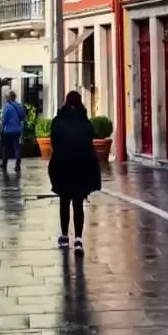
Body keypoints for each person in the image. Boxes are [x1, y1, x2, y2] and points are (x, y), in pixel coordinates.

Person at [48, 91, 100, 255]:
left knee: (64, 201)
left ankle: (64, 237)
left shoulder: (58, 121)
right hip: (81, 166)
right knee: (78, 203)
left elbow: (54, 142)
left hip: (63, 165)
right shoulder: (85, 122)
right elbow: (90, 143)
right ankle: (78, 239)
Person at [0, 90, 25, 173]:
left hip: (8, 130)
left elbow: (4, 119)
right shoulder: (19, 106)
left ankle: (4, 164)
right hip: (17, 129)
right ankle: (18, 164)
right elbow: (23, 117)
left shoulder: (7, 106)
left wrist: (3, 127)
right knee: (17, 147)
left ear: (8, 98)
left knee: (6, 147)